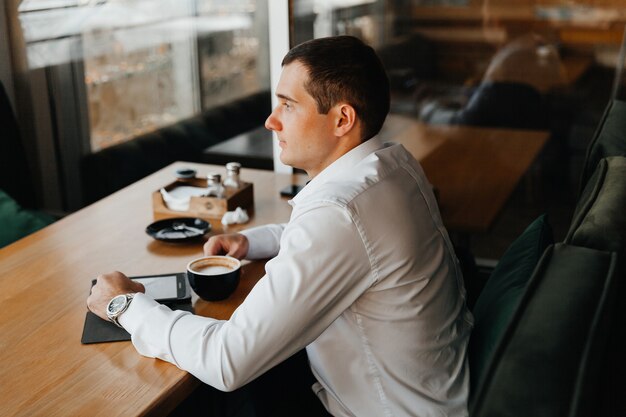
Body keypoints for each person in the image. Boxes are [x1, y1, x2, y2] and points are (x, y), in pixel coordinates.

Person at [87, 35, 473, 417]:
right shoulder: (393, 165)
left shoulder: (339, 212)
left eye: (287, 105)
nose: (271, 121)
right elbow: (353, 241)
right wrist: (250, 242)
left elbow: (227, 360)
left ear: (342, 119)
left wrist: (124, 306)